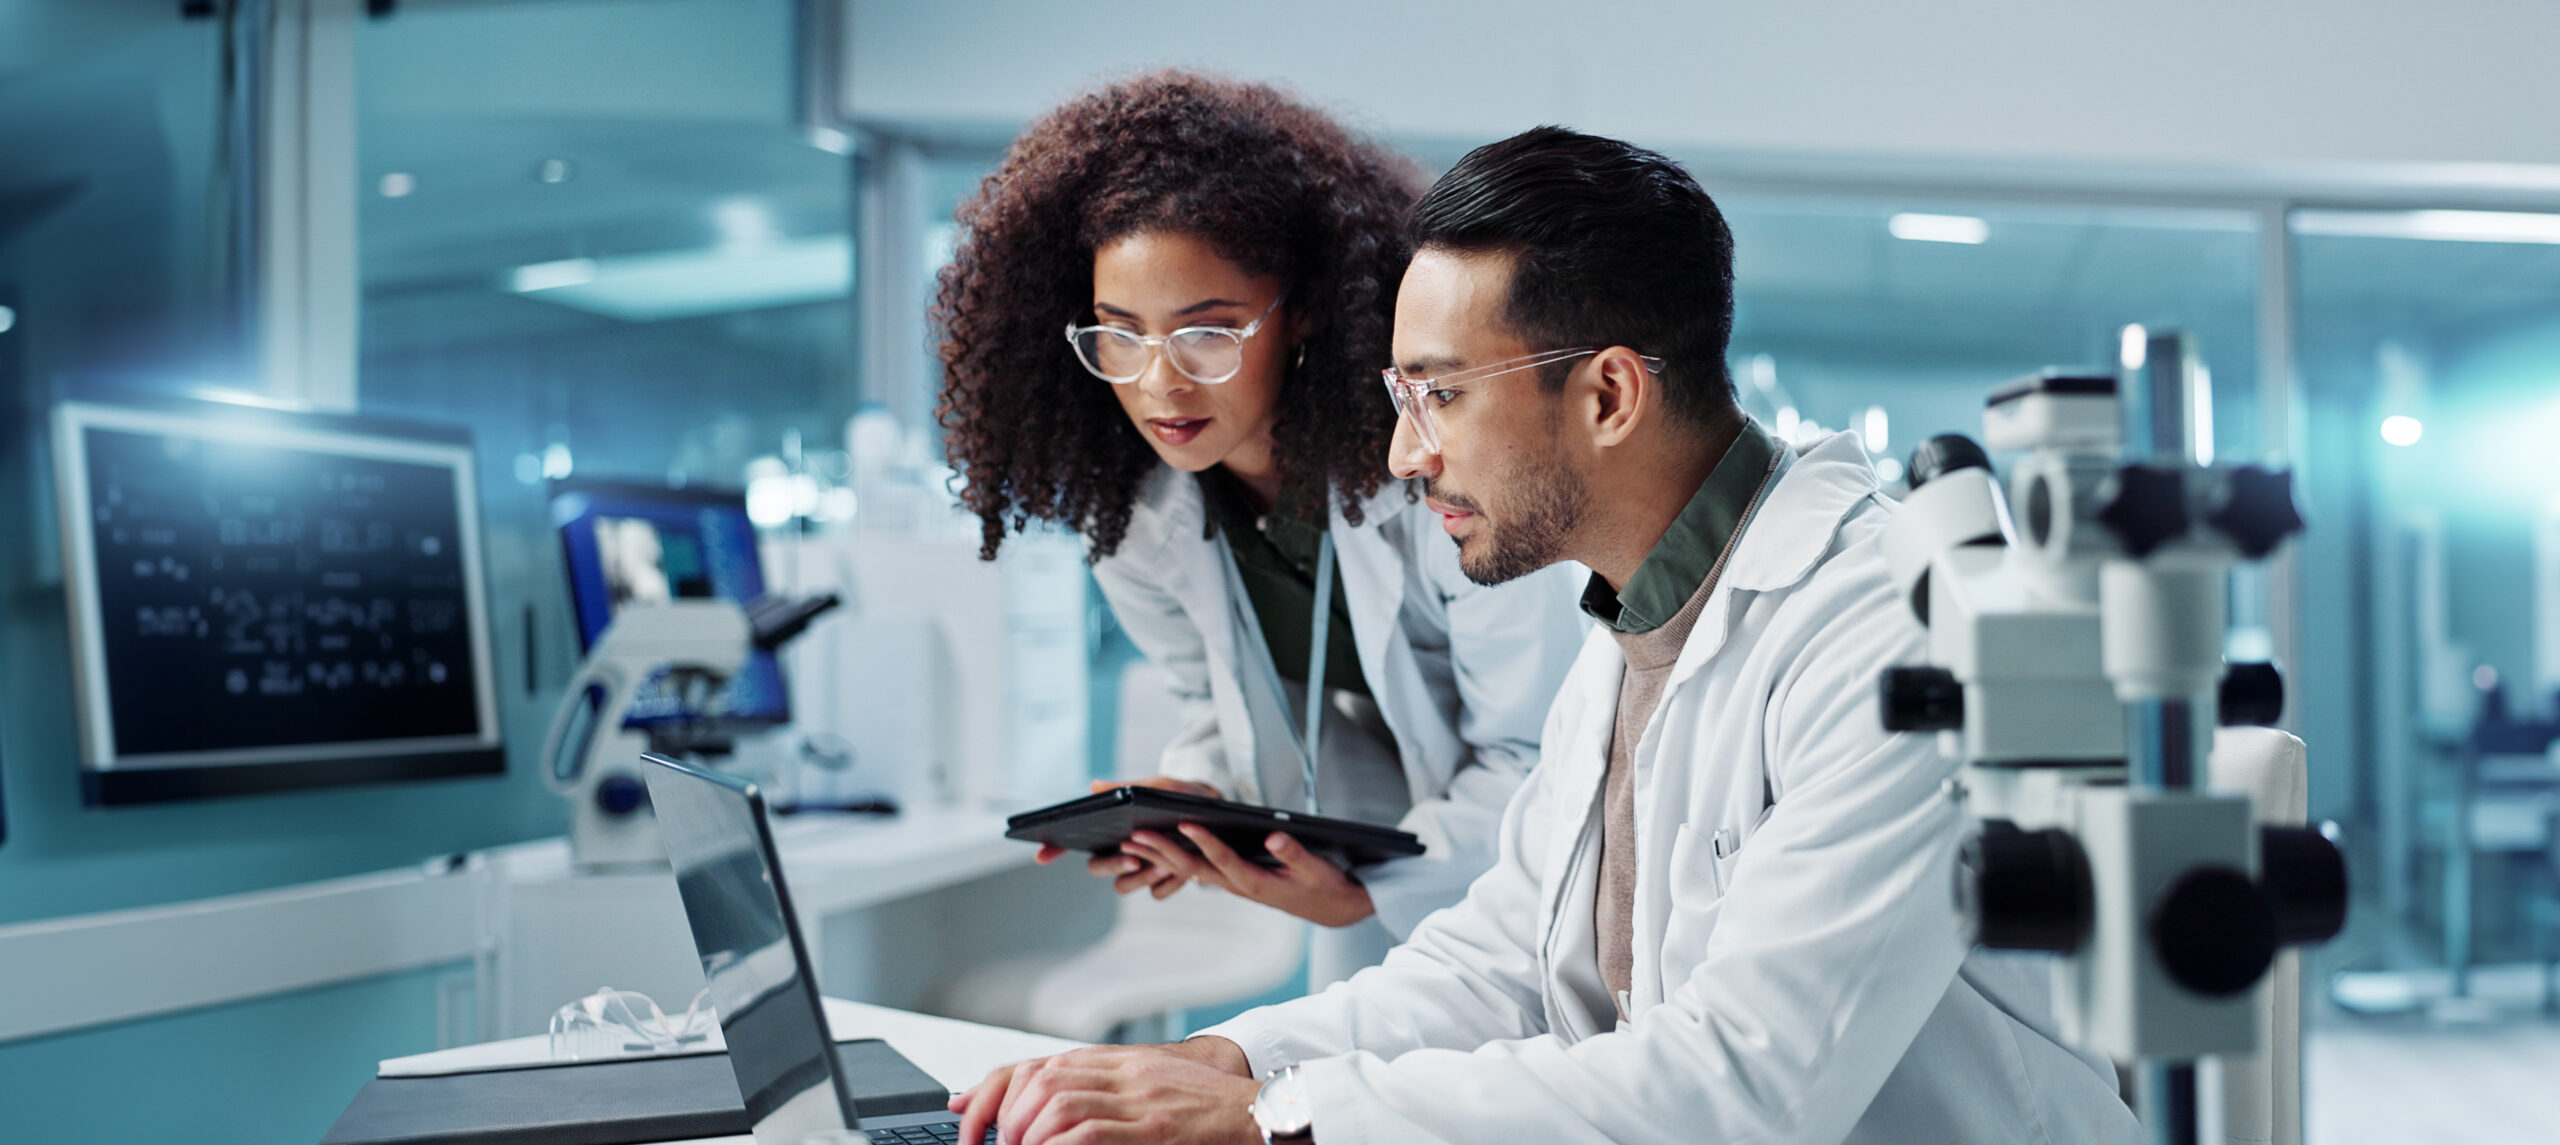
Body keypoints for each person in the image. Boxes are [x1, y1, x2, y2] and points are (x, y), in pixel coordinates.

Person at [949, 127, 2141, 1145]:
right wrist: (1227, 1062)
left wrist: (1278, 1115)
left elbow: (1745, 1085)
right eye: (1400, 396)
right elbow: (1502, 958)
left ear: (1609, 395)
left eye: (1441, 394)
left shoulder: (1886, 631)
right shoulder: (1630, 621)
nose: (1404, 454)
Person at [934, 72, 1586, 981]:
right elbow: (1215, 695)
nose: (1159, 383)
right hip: (1381, 878)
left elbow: (1536, 754)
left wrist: (1372, 891)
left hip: (1551, 887)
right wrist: (1197, 795)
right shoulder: (1137, 517)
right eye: (1120, 332)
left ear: (1305, 308)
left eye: (1207, 332)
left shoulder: (1443, 477)